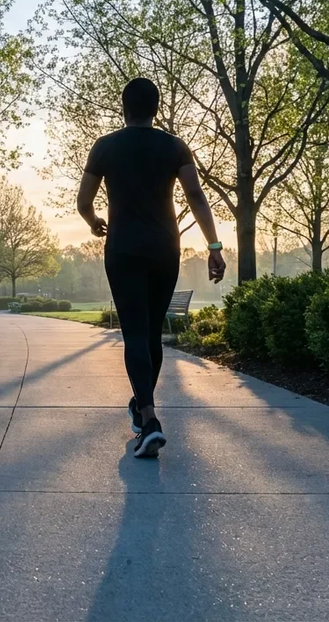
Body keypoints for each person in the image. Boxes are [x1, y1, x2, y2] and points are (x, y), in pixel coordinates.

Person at [76, 77, 226, 458]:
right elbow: (195, 195)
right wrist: (213, 245)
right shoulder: (174, 146)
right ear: (156, 108)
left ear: (123, 107)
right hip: (165, 249)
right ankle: (143, 413)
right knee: (152, 335)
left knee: (135, 334)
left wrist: (94, 222)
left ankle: (148, 418)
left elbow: (83, 201)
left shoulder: (105, 147)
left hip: (123, 249)